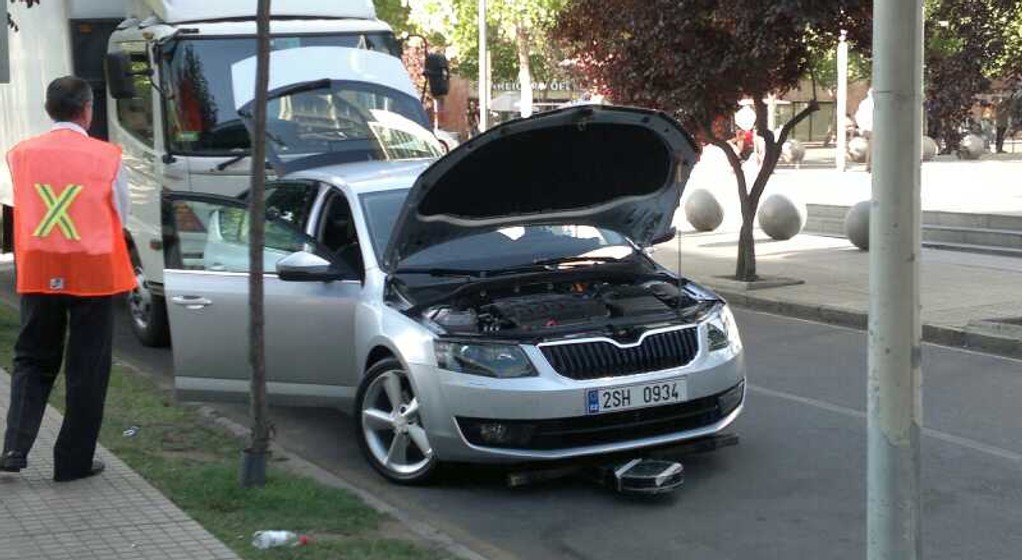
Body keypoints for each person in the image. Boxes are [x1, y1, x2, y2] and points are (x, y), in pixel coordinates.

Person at [1, 76, 134, 481]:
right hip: (93, 271)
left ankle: (14, 448)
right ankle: (73, 462)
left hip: (40, 267)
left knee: (32, 359)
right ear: (87, 110)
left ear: (48, 110)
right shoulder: (107, 156)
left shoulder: (20, 154)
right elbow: (121, 215)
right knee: (86, 367)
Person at [855, 88, 874, 171]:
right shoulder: (872, 103)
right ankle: (869, 165)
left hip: (866, 128)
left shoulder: (864, 102)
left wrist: (861, 127)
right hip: (871, 127)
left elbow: (858, 115)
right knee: (872, 145)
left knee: (871, 146)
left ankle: (869, 165)